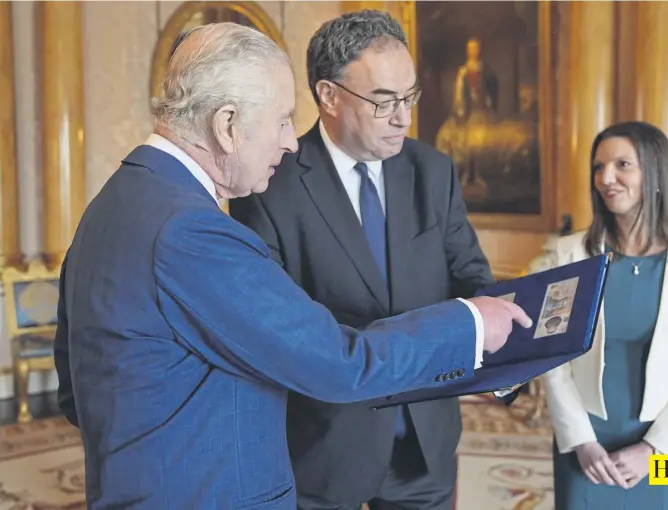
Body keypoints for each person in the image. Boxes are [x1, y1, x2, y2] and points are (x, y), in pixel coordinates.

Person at [52, 22, 533, 510]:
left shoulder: (114, 204)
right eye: (281, 120)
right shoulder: (191, 233)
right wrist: (469, 323)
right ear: (227, 124)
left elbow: (76, 393)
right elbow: (337, 362)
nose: (289, 141)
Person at [229, 11, 498, 510]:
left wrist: (509, 351)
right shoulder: (270, 184)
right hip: (323, 451)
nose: (404, 117)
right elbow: (275, 331)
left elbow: (471, 278)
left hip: (425, 448)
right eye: (383, 101)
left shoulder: (431, 170)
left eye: (410, 96)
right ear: (328, 96)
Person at [538, 121, 668, 509]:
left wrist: (653, 449)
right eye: (598, 167)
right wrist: (581, 442)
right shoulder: (567, 255)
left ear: (656, 171)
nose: (606, 178)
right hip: (586, 449)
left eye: (622, 165)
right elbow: (552, 357)